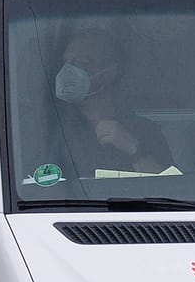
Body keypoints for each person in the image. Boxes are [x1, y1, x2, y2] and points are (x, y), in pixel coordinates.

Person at [49, 27, 174, 176]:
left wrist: (133, 148)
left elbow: (169, 189)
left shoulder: (145, 130)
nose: (68, 70)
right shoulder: (49, 129)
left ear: (107, 73)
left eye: (81, 62)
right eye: (67, 62)